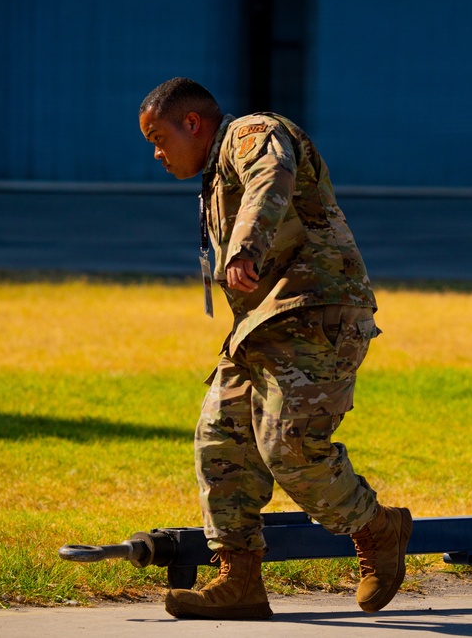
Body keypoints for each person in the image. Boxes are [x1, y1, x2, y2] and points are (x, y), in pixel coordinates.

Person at [137, 77, 411, 620]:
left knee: (289, 448)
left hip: (315, 311)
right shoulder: (214, 176)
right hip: (260, 329)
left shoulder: (251, 133)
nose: (157, 153)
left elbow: (271, 177)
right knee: (221, 443)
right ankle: (239, 579)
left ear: (192, 123)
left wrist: (245, 247)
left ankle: (378, 530)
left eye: (158, 137)